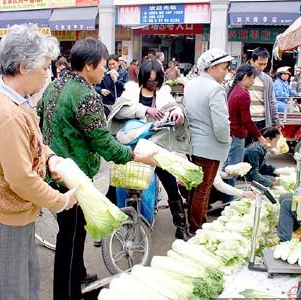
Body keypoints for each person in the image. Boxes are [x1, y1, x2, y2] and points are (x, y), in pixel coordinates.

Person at [38, 38, 155, 300]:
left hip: (54, 170)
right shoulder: (87, 95)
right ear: (89, 65)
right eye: (103, 66)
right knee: (70, 237)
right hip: (73, 178)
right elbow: (104, 142)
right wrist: (134, 155)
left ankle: (78, 272)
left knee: (72, 230)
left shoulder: (54, 85)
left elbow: (40, 118)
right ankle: (66, 294)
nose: (106, 71)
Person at [0, 24, 78, 300]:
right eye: (44, 68)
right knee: (13, 292)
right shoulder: (8, 114)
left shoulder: (18, 99)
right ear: (22, 67)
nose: (48, 75)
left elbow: (34, 142)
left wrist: (50, 157)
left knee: (27, 284)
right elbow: (21, 180)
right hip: (2, 218)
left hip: (15, 214)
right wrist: (62, 201)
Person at [108, 59, 191, 240]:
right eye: (149, 80)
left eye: (156, 80)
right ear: (143, 78)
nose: (152, 84)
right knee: (113, 186)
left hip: (155, 148)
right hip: (131, 147)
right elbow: (118, 111)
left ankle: (181, 227)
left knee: (170, 184)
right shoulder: (130, 92)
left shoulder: (164, 95)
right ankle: (106, 227)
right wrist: (145, 109)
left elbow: (175, 108)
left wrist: (177, 114)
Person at [184, 48, 233, 233]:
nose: (226, 71)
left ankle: (192, 224)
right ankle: (198, 228)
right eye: (223, 68)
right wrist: (225, 139)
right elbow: (221, 124)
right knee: (203, 190)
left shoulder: (191, 85)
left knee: (195, 188)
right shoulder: (215, 89)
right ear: (211, 68)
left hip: (193, 144)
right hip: (209, 146)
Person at [221, 64, 268, 202]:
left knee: (227, 168)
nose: (253, 81)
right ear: (246, 77)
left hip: (232, 133)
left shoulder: (236, 89)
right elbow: (247, 120)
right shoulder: (242, 94)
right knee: (233, 171)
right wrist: (260, 137)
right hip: (237, 135)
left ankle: (224, 197)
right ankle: (228, 200)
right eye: (252, 78)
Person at [247, 48, 282, 139]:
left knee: (260, 149)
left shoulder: (267, 80)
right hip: (246, 121)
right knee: (244, 150)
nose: (262, 67)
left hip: (262, 121)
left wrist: (276, 120)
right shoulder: (243, 77)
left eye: (265, 64)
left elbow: (272, 101)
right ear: (252, 61)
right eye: (260, 64)